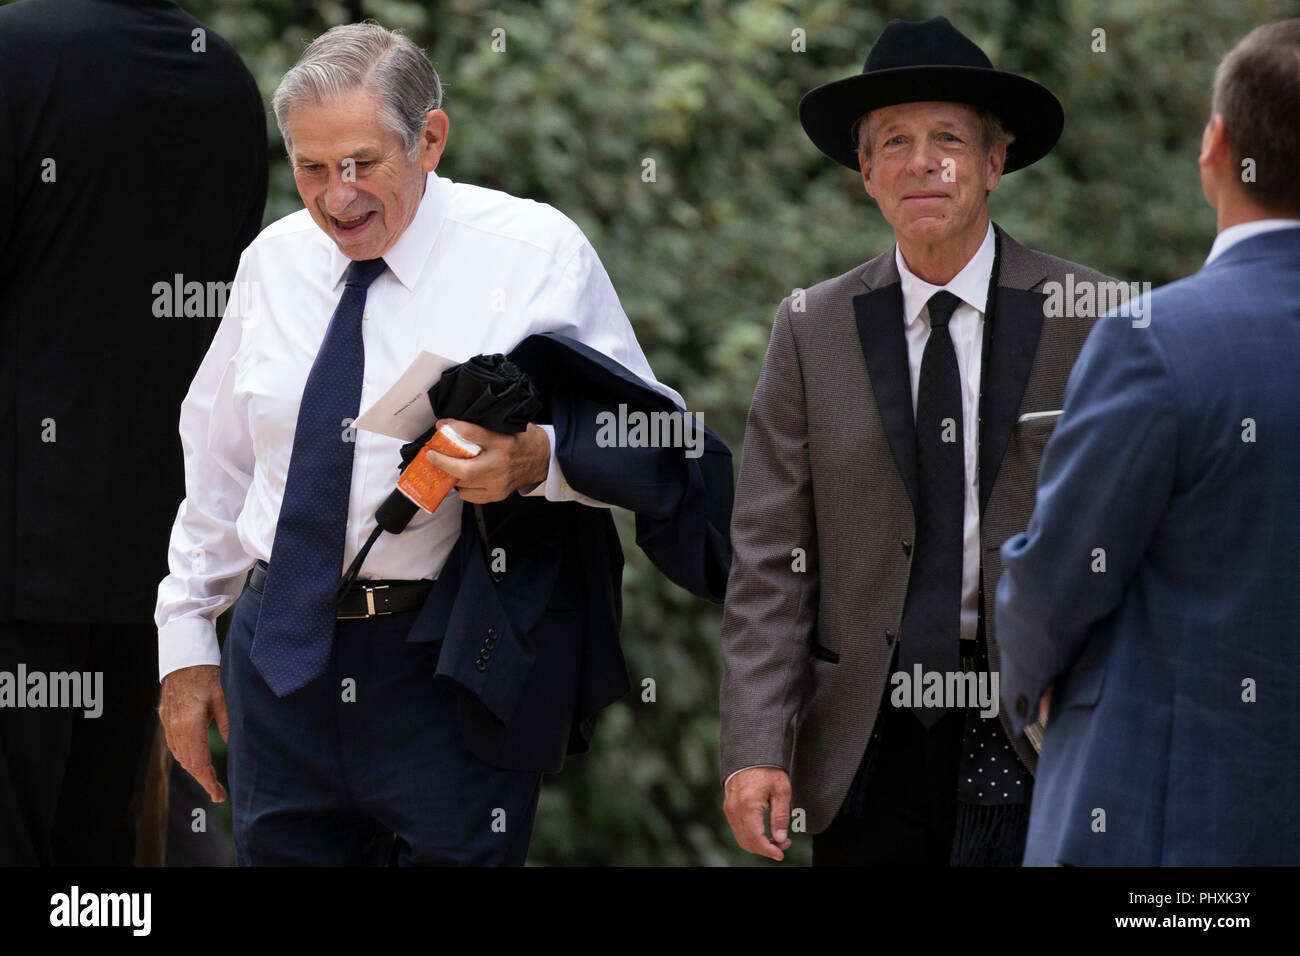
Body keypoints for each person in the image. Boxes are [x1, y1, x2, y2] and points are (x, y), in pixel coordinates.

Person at [155, 22, 730, 866]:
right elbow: (217, 465)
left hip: (448, 666)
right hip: (279, 662)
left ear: (429, 139)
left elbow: (654, 442)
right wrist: (185, 643)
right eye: (311, 169)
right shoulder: (272, 262)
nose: (336, 197)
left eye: (361, 163)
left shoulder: (534, 252)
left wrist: (539, 459)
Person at [719, 16, 1111, 866]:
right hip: (865, 737)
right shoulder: (809, 329)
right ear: (865, 172)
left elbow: (1139, 537)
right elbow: (767, 555)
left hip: (1041, 727)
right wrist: (754, 743)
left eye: (948, 139)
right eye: (894, 141)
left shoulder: (1096, 318)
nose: (921, 161)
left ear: (994, 162)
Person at [996, 17, 1300, 866]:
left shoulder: (1157, 340)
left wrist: (1034, 687)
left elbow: (1057, 577)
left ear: (1218, 145)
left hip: (1164, 831)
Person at [0, 0, 267, 865]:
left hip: (16, 559)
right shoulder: (225, 80)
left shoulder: (14, 50)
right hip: (150, 571)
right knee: (106, 870)